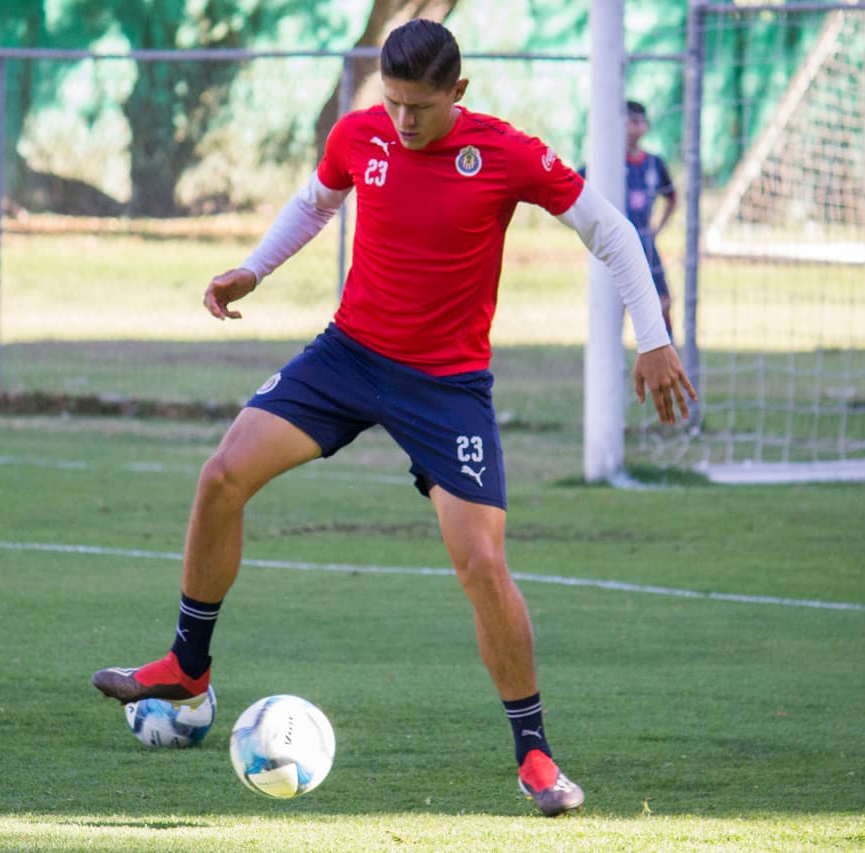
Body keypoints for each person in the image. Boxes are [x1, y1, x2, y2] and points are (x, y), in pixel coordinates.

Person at [93, 18, 696, 818]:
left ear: (458, 92)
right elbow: (315, 203)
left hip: (446, 388)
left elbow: (613, 233)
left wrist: (650, 340)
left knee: (482, 562)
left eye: (419, 106)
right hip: (348, 357)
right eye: (392, 102)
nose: (403, 121)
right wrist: (253, 269)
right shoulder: (360, 133)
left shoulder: (507, 152)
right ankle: (188, 666)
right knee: (223, 474)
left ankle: (535, 753)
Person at [624, 100, 678, 335]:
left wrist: (657, 227)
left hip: (645, 242)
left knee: (663, 300)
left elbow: (672, 197)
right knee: (613, 303)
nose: (636, 128)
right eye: (631, 122)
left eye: (640, 122)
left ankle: (668, 351)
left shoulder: (654, 163)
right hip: (617, 243)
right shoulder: (604, 163)